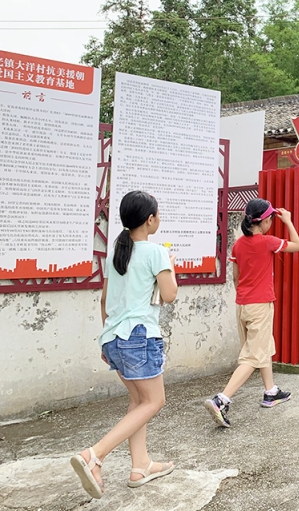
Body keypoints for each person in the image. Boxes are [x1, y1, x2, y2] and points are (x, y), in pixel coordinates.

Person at [70, 191, 178, 499]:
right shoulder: (155, 252)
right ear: (150, 219)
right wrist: (170, 267)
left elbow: (104, 300)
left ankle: (140, 466)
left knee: (138, 401)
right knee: (154, 401)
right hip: (139, 336)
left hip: (113, 338)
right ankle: (94, 455)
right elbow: (169, 295)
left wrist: (108, 340)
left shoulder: (116, 251)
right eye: (158, 214)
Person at [205, 199, 299, 428]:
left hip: (243, 304)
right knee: (252, 357)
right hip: (260, 305)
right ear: (265, 221)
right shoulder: (268, 242)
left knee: (261, 347)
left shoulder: (238, 245)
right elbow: (297, 245)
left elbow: (236, 277)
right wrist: (288, 221)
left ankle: (271, 391)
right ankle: (221, 400)